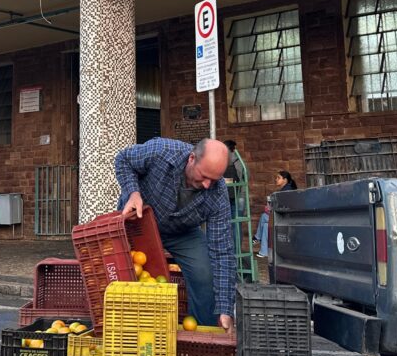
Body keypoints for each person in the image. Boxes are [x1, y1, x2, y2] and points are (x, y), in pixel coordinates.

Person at [115, 137, 236, 332]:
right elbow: (123, 160)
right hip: (138, 223)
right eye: (204, 176)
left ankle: (203, 334)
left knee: (205, 273)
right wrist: (132, 192)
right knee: (128, 272)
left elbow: (222, 251)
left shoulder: (218, 193)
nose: (207, 185)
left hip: (182, 232)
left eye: (214, 180)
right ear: (191, 158)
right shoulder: (162, 151)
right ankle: (128, 329)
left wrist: (225, 308)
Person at [254, 170, 297, 257]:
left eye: (278, 178)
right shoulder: (285, 189)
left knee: (263, 216)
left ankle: (257, 238)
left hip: (286, 218)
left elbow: (282, 207)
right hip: (283, 216)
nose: (276, 179)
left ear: (285, 180)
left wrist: (270, 209)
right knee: (266, 226)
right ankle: (263, 252)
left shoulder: (286, 191)